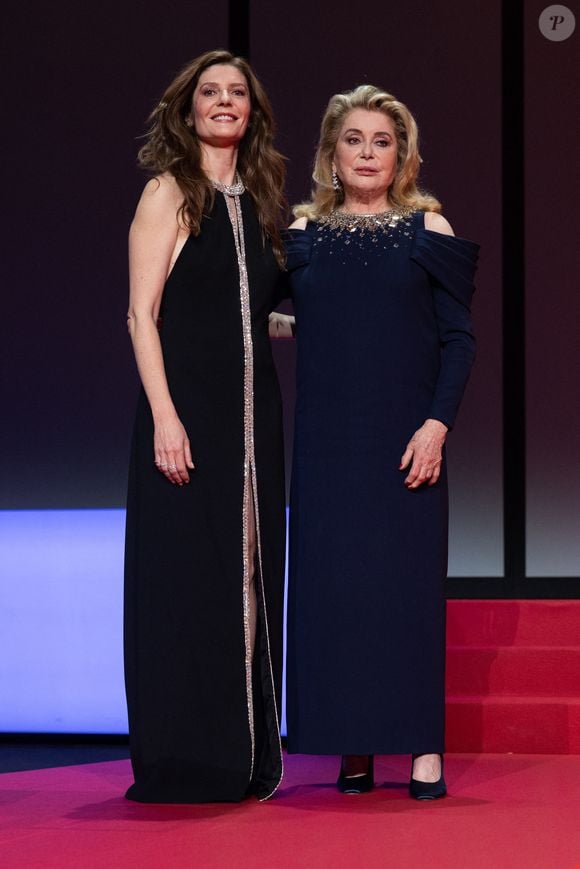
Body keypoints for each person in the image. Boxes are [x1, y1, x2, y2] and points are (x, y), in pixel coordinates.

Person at [284, 85, 478, 799]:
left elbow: (459, 341)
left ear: (402, 156)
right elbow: (266, 312)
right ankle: (355, 747)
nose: (368, 153)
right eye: (354, 140)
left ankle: (424, 749)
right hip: (328, 446)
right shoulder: (300, 239)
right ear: (331, 156)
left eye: (382, 141)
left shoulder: (430, 227)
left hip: (407, 440)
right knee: (338, 595)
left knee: (405, 596)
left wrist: (436, 425)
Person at [124, 50, 287, 803]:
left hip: (252, 426)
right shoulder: (171, 192)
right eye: (210, 92)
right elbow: (141, 314)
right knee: (189, 581)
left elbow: (258, 316)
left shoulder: (255, 197)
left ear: (251, 112)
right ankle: (189, 756)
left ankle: (245, 753)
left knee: (246, 575)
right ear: (187, 109)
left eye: (238, 94)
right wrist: (165, 416)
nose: (225, 102)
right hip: (186, 419)